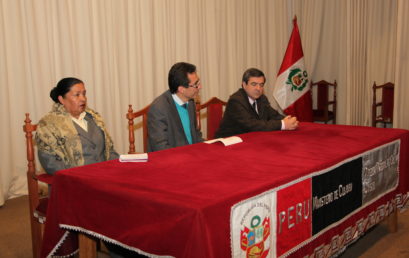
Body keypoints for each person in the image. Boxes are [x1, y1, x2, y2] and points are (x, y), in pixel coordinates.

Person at [35, 77, 119, 174]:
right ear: (62, 99)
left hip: (103, 177)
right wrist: (80, 178)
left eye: (84, 94)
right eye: (77, 95)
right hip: (73, 182)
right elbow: (51, 164)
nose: (83, 99)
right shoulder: (48, 125)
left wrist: (119, 168)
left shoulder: (94, 118)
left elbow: (109, 151)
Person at [215, 68, 299, 138]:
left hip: (250, 140)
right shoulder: (236, 101)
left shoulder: (262, 99)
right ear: (244, 85)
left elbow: (274, 115)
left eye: (261, 85)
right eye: (254, 84)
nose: (258, 88)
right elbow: (252, 125)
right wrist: (283, 124)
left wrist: (289, 120)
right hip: (228, 143)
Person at [147, 62, 204, 152]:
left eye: (199, 82)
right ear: (181, 89)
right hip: (171, 160)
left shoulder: (190, 101)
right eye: (196, 84)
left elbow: (196, 135)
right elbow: (161, 148)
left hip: (191, 156)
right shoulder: (159, 108)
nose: (200, 87)